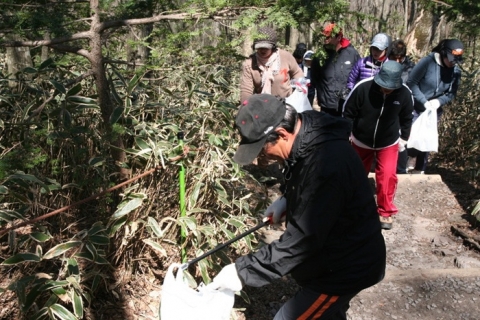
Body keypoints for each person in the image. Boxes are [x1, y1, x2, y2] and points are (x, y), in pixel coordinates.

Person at [209, 94, 386, 319]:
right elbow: (301, 175)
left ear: (282, 134)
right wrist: (287, 199)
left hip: (344, 268)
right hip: (332, 256)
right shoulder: (308, 134)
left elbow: (302, 241)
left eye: (262, 148)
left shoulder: (328, 166)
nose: (260, 157)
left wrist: (242, 271)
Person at [343, 61, 414, 230]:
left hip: (388, 142)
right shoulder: (363, 88)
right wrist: (345, 135)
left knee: (388, 176)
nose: (385, 90)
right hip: (361, 140)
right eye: (383, 86)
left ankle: (385, 211)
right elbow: (348, 113)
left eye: (389, 88)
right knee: (356, 174)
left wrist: (404, 138)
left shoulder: (404, 94)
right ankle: (352, 205)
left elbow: (407, 118)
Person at [405, 38, 463, 173]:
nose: (453, 63)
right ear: (443, 54)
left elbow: (451, 93)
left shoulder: (455, 72)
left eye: (456, 60)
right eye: (451, 59)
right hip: (416, 106)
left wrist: (439, 101)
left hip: (434, 110)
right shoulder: (427, 62)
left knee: (426, 139)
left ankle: (420, 169)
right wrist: (423, 101)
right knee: (410, 138)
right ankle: (404, 166)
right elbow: (411, 83)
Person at [240, 27, 304, 103]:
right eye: (259, 47)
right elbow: (246, 90)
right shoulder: (250, 64)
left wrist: (298, 91)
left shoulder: (285, 57)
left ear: (273, 47)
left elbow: (297, 72)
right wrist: (246, 107)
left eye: (266, 47)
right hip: (262, 104)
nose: (262, 50)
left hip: (286, 103)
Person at [310, 22, 360, 116]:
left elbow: (358, 76)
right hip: (326, 105)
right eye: (324, 37)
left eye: (328, 37)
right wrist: (320, 96)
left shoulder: (352, 54)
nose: (325, 40)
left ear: (338, 38)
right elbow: (314, 78)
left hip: (346, 104)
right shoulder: (320, 56)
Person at [388, 39, 416, 174]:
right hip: (387, 106)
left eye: (401, 58)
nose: (398, 62)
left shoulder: (410, 69)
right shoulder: (384, 66)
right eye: (394, 58)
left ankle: (400, 171)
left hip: (403, 106)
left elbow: (413, 86)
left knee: (401, 144)